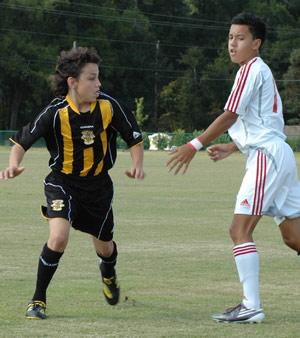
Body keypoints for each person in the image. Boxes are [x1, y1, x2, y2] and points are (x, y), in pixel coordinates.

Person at [167, 12, 300, 324]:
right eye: (230, 37)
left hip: (267, 157)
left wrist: (193, 145)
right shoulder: (259, 72)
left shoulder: (250, 71)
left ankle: (250, 306)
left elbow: (229, 115)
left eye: (240, 38)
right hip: (276, 154)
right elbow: (266, 124)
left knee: (239, 230)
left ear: (257, 43)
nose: (232, 43)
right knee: (294, 237)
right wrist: (231, 146)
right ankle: (249, 305)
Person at [0, 46, 145, 319]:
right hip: (62, 183)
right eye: (91, 78)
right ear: (73, 82)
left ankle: (108, 275)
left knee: (105, 246)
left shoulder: (109, 107)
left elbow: (134, 137)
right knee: (58, 237)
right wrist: (13, 164)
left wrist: (137, 165)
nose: (98, 83)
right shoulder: (55, 112)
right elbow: (21, 141)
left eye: (98, 77)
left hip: (99, 188)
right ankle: (37, 300)